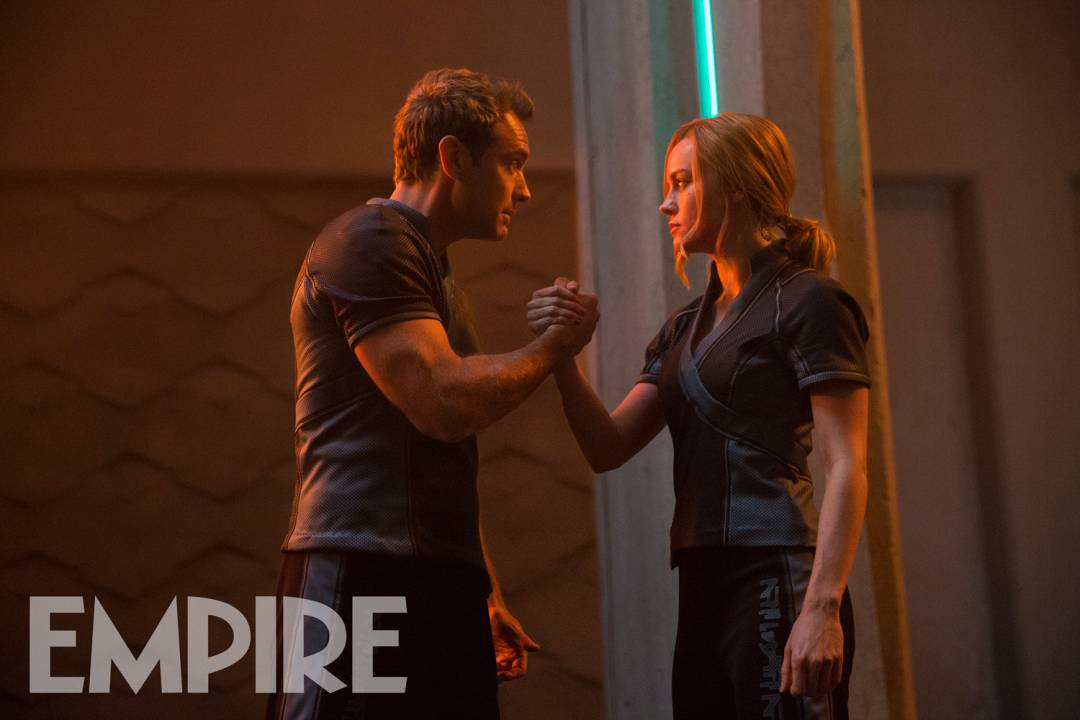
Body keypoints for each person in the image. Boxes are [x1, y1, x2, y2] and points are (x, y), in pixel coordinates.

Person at [269, 68, 599, 720]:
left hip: (435, 575)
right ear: (453, 158)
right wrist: (555, 345)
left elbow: (440, 453)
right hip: (358, 570)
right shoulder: (369, 240)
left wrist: (482, 587)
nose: (525, 188)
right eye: (511, 163)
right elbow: (442, 404)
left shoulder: (431, 266)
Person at [527, 113, 870, 719]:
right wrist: (560, 353)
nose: (667, 203)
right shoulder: (683, 328)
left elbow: (847, 465)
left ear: (735, 183)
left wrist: (821, 608)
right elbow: (607, 447)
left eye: (682, 182)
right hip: (701, 581)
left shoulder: (811, 301)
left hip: (779, 571)